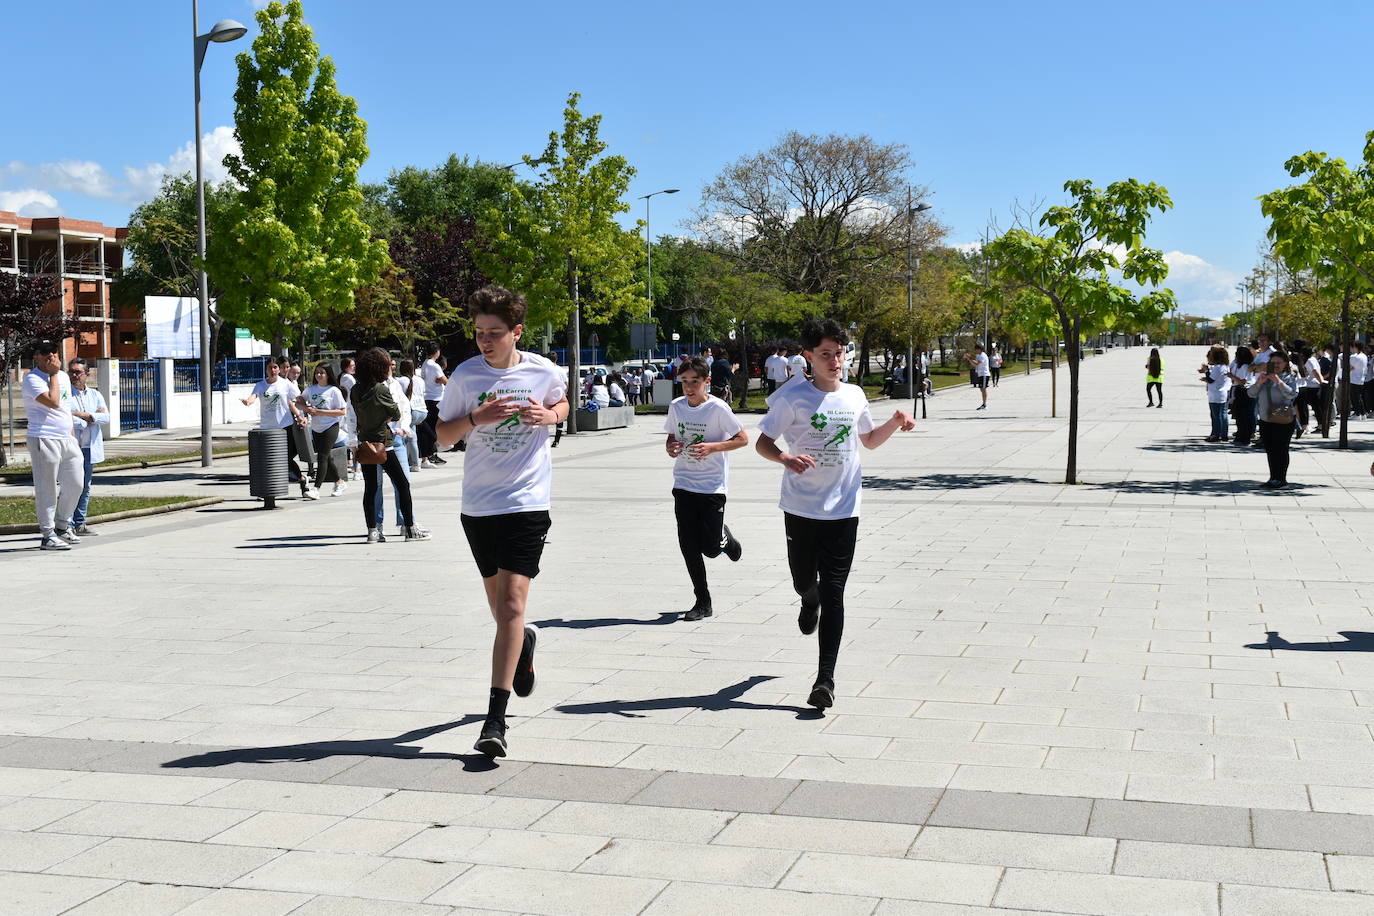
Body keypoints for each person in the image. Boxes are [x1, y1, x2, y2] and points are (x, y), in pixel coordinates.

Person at [436, 284, 569, 758]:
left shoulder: (543, 370)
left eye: (495, 333)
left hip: (528, 503)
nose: (485, 341)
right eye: (478, 334)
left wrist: (549, 414)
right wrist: (477, 417)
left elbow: (562, 404)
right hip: (479, 507)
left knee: (511, 605)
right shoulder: (466, 377)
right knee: (503, 614)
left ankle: (495, 720)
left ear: (517, 332)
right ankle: (524, 643)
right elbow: (441, 437)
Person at [755, 318, 916, 711]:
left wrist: (894, 423)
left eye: (839, 353)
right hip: (800, 507)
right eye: (825, 354)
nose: (834, 360)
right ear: (808, 356)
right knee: (803, 582)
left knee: (836, 593)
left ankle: (825, 679)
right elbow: (762, 443)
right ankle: (807, 600)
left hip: (844, 510)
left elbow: (869, 441)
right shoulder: (792, 398)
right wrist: (786, 458)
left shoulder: (855, 395)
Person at [664, 356, 748, 621]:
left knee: (711, 548)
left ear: (707, 382)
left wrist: (713, 447)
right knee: (688, 545)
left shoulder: (718, 409)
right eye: (685, 382)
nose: (689, 387)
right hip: (684, 483)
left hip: (712, 487)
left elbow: (742, 439)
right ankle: (703, 600)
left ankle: (727, 539)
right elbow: (671, 436)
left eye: (695, 382)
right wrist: (671, 447)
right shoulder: (677, 406)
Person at [348, 347, 428, 543]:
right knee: (402, 484)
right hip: (385, 443)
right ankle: (409, 527)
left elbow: (352, 417)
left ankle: (373, 531)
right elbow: (397, 411)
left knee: (371, 488)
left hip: (365, 444)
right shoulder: (382, 389)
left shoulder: (355, 390)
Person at [24, 342, 83, 550]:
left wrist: (72, 432)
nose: (52, 356)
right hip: (44, 437)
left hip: (66, 438)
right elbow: (53, 401)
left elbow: (65, 407)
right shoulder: (32, 378)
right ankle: (47, 534)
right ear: (37, 357)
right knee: (46, 487)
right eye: (46, 353)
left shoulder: (63, 377)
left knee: (76, 483)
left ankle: (62, 525)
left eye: (54, 352)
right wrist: (53, 374)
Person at [241, 358, 314, 499]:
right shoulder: (260, 385)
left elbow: (296, 401)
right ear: (266, 369)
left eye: (275, 367)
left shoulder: (285, 384)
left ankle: (302, 480)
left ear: (278, 369)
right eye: (270, 368)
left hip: (284, 427)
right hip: (267, 429)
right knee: (267, 460)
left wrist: (302, 414)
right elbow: (252, 397)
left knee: (285, 459)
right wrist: (247, 401)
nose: (273, 370)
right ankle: (267, 489)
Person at [66, 358, 109, 536]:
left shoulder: (95, 395)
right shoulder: (65, 394)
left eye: (78, 372)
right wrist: (89, 418)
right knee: (70, 486)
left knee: (85, 486)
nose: (74, 375)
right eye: (72, 372)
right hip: (72, 447)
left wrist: (83, 415)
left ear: (87, 375)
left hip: (90, 447)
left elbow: (106, 417)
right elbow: (65, 416)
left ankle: (80, 523)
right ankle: (65, 523)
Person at [1248, 350, 1298, 489]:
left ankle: (1281, 479)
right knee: (1270, 450)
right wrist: (1260, 382)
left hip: (1284, 420)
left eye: (1278, 363)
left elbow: (1291, 394)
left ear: (1285, 364)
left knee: (1281, 449)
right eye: (1272, 363)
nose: (1275, 365)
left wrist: (1278, 381)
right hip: (1266, 419)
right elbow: (1251, 393)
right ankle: (1273, 477)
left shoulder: (1289, 377)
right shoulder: (1264, 377)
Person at [301, 363, 348, 497]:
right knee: (327, 458)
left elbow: (341, 411)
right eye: (317, 372)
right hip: (316, 428)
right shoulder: (311, 389)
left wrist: (321, 412)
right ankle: (340, 482)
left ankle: (316, 489)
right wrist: (305, 408)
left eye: (322, 372)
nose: (319, 375)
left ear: (328, 375)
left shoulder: (334, 390)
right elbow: (298, 401)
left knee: (322, 457)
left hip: (330, 427)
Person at [395, 359, 426, 472]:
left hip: (411, 410)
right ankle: (415, 463)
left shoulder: (400, 380)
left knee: (404, 438)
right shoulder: (420, 380)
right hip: (422, 410)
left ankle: (407, 462)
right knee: (412, 437)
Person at [421, 344, 448, 466]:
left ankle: (430, 454)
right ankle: (434, 452)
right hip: (436, 398)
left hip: (427, 398)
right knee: (436, 427)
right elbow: (445, 380)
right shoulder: (435, 365)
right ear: (436, 352)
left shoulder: (425, 364)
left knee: (430, 427)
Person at [1227, 345, 1256, 445]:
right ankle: (1240, 435)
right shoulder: (1236, 364)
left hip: (1243, 391)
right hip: (1237, 390)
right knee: (1238, 415)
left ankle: (1244, 437)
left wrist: (1231, 376)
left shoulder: (1245, 366)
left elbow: (1242, 382)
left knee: (1243, 415)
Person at [1202, 346, 1230, 442]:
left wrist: (1206, 370)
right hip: (1222, 393)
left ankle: (1215, 434)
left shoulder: (1218, 367)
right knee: (1222, 414)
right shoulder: (1225, 366)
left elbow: (1211, 379)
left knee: (1216, 416)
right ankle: (1223, 434)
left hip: (1215, 394)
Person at [965, 343, 991, 410]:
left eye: (976, 349)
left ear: (980, 349)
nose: (975, 350)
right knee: (981, 389)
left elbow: (977, 363)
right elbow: (975, 365)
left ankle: (985, 404)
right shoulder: (978, 356)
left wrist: (970, 358)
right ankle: (984, 404)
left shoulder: (983, 355)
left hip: (984, 374)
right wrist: (969, 359)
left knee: (983, 389)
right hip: (980, 374)